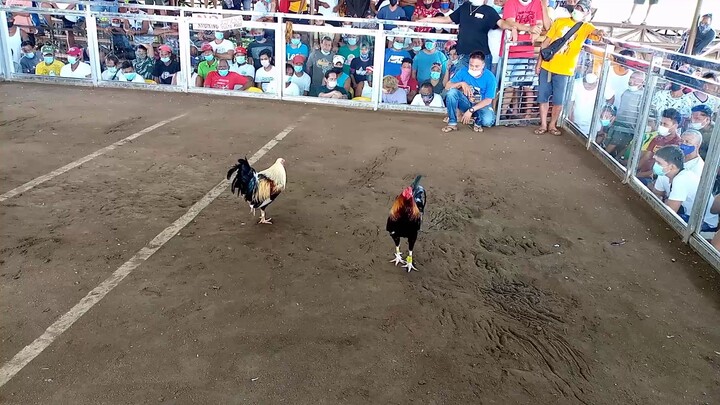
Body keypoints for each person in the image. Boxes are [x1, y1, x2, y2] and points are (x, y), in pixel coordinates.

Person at [534, 0, 603, 136]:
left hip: (565, 69)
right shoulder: (560, 21)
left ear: (587, 13)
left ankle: (552, 124)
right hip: (548, 65)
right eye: (577, 7)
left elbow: (597, 34)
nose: (578, 10)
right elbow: (546, 42)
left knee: (559, 100)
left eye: (582, 9)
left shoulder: (586, 27)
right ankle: (543, 124)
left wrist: (601, 31)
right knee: (543, 96)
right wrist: (539, 63)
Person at [421, 0, 541, 69]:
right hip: (463, 55)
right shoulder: (464, 7)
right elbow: (447, 19)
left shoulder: (488, 10)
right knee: (460, 88)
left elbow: (503, 24)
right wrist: (428, 20)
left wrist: (526, 28)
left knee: (481, 90)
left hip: (481, 56)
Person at [651, 145, 718, 231]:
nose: (655, 165)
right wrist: (661, 199)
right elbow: (656, 194)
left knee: (660, 225)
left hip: (704, 222)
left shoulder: (682, 179)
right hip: (685, 212)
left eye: (659, 163)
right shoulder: (664, 173)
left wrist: (663, 201)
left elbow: (670, 212)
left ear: (672, 167)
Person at [441, 51, 497, 133]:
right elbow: (447, 86)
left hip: (481, 105)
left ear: (483, 65)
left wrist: (470, 110)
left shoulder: (490, 77)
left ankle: (472, 117)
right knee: (451, 93)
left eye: (477, 66)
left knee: (488, 121)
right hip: (467, 102)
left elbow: (488, 100)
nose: (473, 68)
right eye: (471, 65)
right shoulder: (463, 71)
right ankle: (452, 123)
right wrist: (461, 83)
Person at [604, 71, 646, 157]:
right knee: (612, 144)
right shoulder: (626, 91)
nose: (632, 81)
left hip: (630, 128)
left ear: (642, 82)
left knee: (615, 145)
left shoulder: (643, 95)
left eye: (636, 79)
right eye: (631, 77)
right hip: (618, 124)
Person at [637, 108, 682, 184]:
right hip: (642, 173)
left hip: (655, 179)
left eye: (665, 124)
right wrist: (634, 170)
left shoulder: (677, 144)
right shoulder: (657, 138)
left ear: (675, 126)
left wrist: (639, 175)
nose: (662, 126)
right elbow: (646, 156)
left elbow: (665, 169)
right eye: (661, 123)